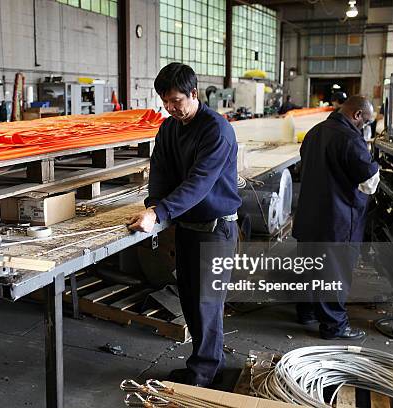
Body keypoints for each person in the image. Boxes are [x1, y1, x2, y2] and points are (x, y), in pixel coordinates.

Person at [127, 63, 241, 387]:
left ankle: (204, 376)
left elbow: (199, 184)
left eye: (176, 100)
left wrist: (160, 213)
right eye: (164, 101)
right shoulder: (169, 128)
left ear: (194, 93)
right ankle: (202, 367)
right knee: (190, 300)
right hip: (189, 227)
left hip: (216, 229)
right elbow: (160, 168)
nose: (170, 108)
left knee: (207, 304)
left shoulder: (216, 130)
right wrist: (153, 206)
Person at [293, 95, 380, 340]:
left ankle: (307, 312)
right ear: (356, 115)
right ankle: (334, 325)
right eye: (366, 121)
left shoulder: (314, 132)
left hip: (309, 218)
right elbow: (369, 182)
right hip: (336, 222)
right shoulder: (350, 138)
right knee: (334, 275)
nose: (365, 126)